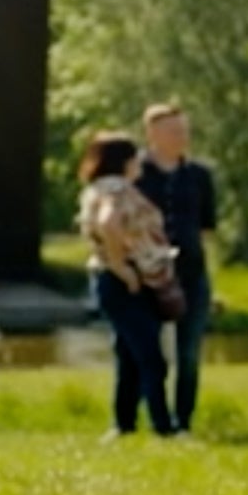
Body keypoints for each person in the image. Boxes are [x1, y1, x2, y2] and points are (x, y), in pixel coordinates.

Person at [79, 131, 183, 438]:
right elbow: (109, 223)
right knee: (152, 357)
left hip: (114, 280)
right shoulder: (117, 189)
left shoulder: (97, 188)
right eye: (134, 156)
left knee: (129, 354)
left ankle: (123, 424)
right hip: (125, 281)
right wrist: (122, 267)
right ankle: (163, 426)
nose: (140, 161)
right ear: (123, 161)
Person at [136, 103, 219, 432]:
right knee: (146, 355)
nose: (182, 137)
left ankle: (184, 421)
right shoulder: (136, 173)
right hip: (147, 276)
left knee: (189, 354)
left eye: (184, 131)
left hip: (191, 274)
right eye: (174, 131)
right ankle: (155, 422)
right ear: (152, 134)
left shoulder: (200, 175)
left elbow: (207, 229)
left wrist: (213, 278)